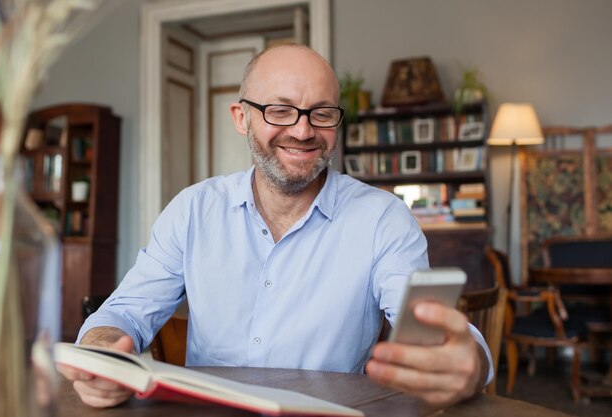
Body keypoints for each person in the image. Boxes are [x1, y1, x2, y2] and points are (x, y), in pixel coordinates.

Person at [59, 44, 491, 409]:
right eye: (280, 110)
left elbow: (441, 338)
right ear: (241, 117)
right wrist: (102, 351)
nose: (303, 131)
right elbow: (124, 312)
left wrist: (466, 363)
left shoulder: (383, 219)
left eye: (321, 114)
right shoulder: (192, 210)